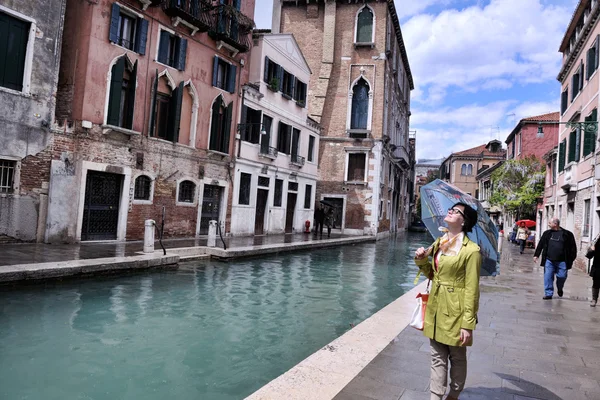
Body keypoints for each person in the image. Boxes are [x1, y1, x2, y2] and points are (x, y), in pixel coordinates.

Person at [414, 202, 482, 400]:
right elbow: (432, 275)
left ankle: (454, 394)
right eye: (450, 209)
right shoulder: (439, 243)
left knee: (457, 357)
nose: (450, 211)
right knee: (437, 357)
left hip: (456, 311)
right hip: (435, 307)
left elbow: (472, 290)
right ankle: (435, 396)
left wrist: (467, 325)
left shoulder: (472, 251)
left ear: (464, 221)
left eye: (456, 211)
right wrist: (421, 259)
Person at [533, 218, 577, 300]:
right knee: (548, 276)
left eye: (550, 223)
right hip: (549, 260)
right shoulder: (547, 234)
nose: (548, 224)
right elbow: (541, 244)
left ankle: (560, 288)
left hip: (563, 261)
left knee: (562, 276)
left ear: (555, 224)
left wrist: (571, 259)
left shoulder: (567, 234)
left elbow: (573, 248)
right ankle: (548, 293)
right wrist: (536, 255)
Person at [587, 234, 600, 306]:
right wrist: (592, 250)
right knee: (596, 283)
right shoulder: (597, 241)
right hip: (598, 266)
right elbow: (589, 256)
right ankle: (594, 299)